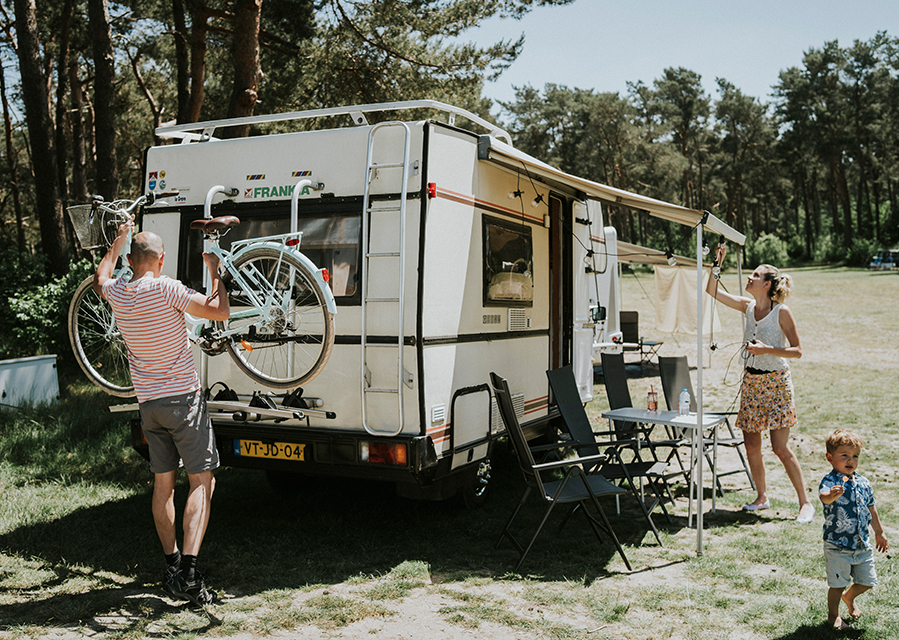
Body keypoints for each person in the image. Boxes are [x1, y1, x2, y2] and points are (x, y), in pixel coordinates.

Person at [94, 215, 229, 606]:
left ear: (133, 261)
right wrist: (215, 271)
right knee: (202, 481)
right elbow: (218, 311)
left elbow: (101, 276)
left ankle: (170, 565)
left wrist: (117, 241)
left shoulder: (119, 292)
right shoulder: (167, 290)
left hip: (148, 405)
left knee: (163, 485)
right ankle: (189, 570)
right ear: (161, 260)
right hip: (183, 401)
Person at [706, 245, 814, 522]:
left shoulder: (782, 312)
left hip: (777, 383)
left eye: (755, 275)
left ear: (767, 284)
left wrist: (767, 350)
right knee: (752, 446)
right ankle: (761, 497)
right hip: (752, 382)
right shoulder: (748, 306)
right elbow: (712, 291)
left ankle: (805, 503)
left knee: (779, 448)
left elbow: (798, 350)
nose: (749, 278)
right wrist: (717, 262)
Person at [819, 429, 888, 629]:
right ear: (830, 458)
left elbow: (871, 508)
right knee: (837, 583)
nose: (851, 460)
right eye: (844, 456)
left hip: (861, 543)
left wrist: (879, 532)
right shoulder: (830, 482)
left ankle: (849, 597)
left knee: (868, 581)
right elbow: (824, 497)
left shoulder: (864, 483)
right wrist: (833, 495)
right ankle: (833, 616)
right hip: (837, 544)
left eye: (855, 456)